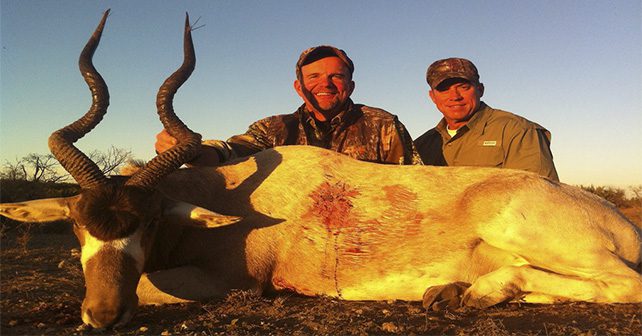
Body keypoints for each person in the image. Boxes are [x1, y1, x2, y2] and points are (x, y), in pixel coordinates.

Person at [156, 45, 421, 166]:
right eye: (314, 77)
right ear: (298, 87)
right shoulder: (274, 129)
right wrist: (193, 151)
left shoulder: (383, 124)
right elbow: (231, 151)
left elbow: (416, 183)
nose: (325, 84)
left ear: (350, 87)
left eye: (336, 76)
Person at [414, 57, 559, 181]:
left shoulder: (519, 131)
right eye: (444, 90)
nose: (455, 96)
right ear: (432, 96)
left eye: (463, 87)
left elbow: (539, 198)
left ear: (480, 90)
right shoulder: (421, 145)